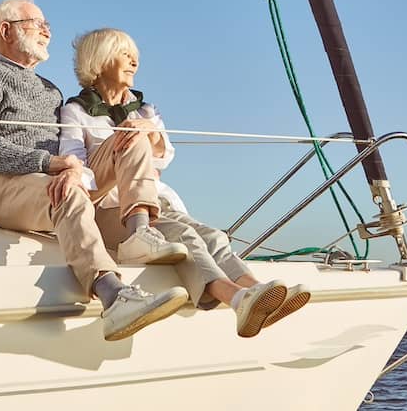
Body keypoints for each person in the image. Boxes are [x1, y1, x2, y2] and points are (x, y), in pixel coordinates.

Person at [0, 0, 190, 342]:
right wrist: (49, 164)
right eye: (37, 23)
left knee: (124, 144)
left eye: (48, 24)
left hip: (49, 179)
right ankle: (114, 297)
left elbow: (69, 151)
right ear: (6, 30)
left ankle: (145, 238)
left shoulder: (52, 91)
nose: (47, 31)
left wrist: (69, 168)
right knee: (69, 191)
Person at [59, 28, 311, 338]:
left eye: (135, 55)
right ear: (99, 60)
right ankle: (235, 299)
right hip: (106, 210)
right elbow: (75, 169)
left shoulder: (147, 111)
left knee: (214, 236)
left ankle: (256, 292)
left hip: (153, 202)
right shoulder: (74, 111)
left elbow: (164, 159)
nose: (134, 61)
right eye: (125, 53)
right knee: (186, 236)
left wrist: (149, 130)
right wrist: (121, 152)